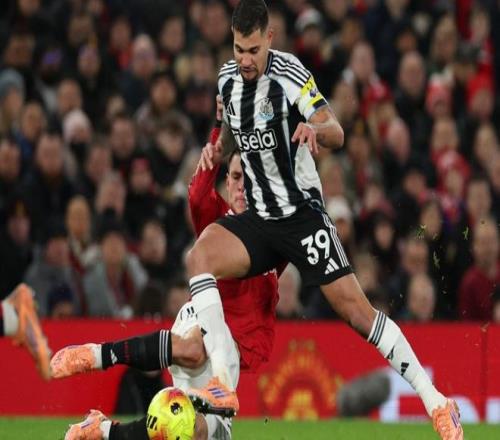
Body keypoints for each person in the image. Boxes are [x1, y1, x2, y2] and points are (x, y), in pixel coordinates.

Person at [180, 2, 462, 439]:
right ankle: (221, 382)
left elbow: (336, 130)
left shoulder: (290, 74)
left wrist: (315, 130)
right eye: (238, 49)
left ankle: (437, 403)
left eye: (253, 50)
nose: (246, 60)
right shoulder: (227, 78)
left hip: (301, 218)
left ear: (270, 38)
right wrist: (217, 146)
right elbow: (229, 125)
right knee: (199, 258)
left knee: (358, 314)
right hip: (259, 219)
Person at [51, 119, 283, 440]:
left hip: (236, 349)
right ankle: (99, 354)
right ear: (227, 184)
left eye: (251, 178)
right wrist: (216, 135)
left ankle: (102, 430)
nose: (243, 185)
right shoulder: (219, 222)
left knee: (190, 430)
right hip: (202, 324)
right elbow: (198, 197)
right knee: (195, 349)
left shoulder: (279, 231)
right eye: (235, 177)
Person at [0, 283, 51, 380]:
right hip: (12, 323)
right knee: (24, 291)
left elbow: (46, 375)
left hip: (10, 322)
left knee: (24, 291)